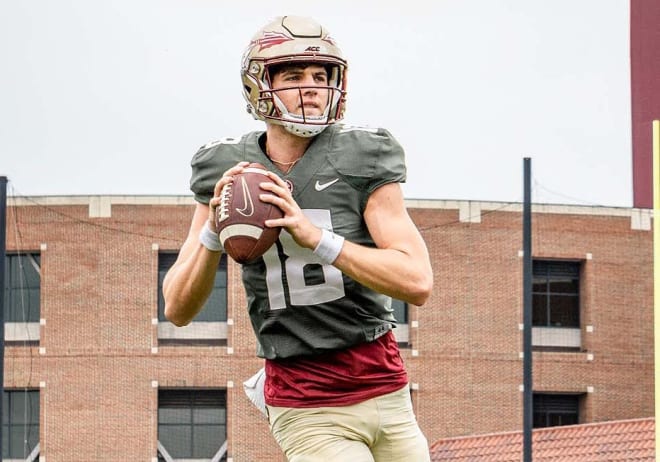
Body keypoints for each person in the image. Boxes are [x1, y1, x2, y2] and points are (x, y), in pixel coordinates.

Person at [163, 15, 434, 462]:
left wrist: (316, 238)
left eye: (320, 75)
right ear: (259, 84)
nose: (311, 87)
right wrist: (213, 228)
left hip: (385, 385)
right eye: (293, 75)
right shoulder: (226, 169)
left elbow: (417, 282)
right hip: (304, 398)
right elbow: (176, 308)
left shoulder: (363, 155)